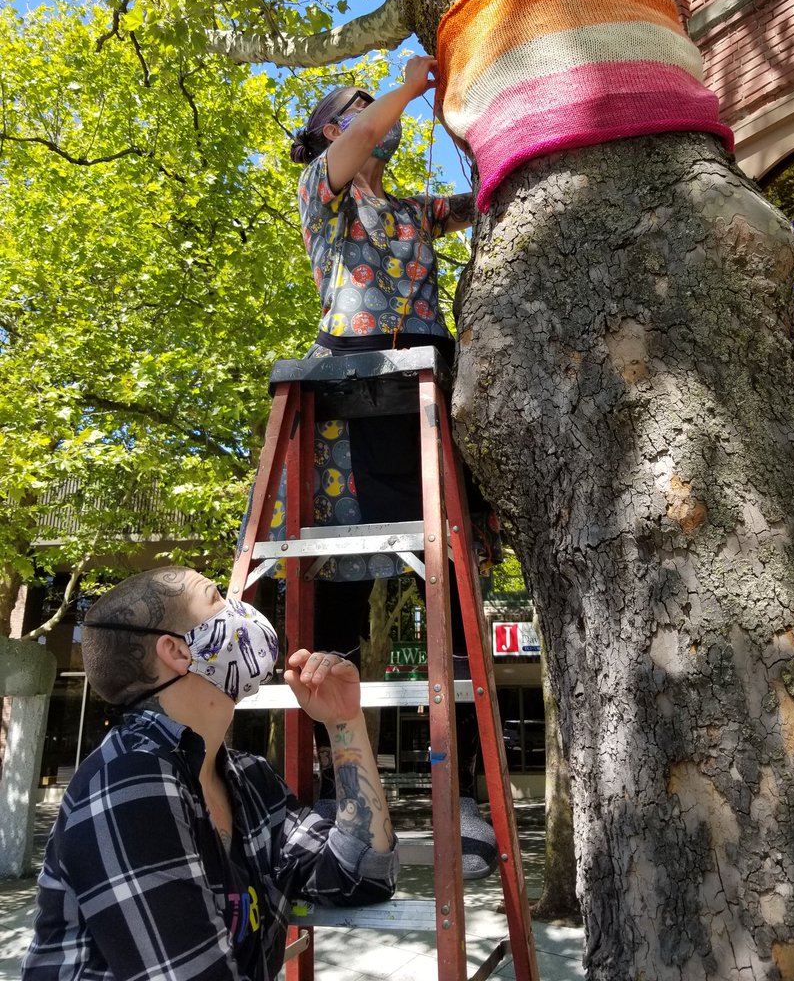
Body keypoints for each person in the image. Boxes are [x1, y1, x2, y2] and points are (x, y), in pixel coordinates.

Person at [289, 56, 498, 879]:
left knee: (448, 586)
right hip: (351, 393)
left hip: (423, 390)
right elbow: (369, 132)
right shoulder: (322, 189)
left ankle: (471, 803)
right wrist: (412, 84)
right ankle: (335, 806)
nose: (382, 118)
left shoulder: (412, 209)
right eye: (364, 111)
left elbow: (482, 199)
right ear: (337, 129)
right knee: (335, 595)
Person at [22, 566, 398, 981]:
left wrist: (344, 723)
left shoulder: (247, 778)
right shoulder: (128, 781)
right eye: (216, 597)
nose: (242, 611)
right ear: (179, 652)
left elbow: (359, 876)